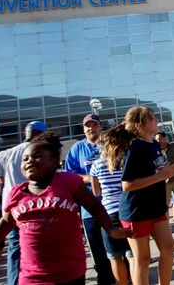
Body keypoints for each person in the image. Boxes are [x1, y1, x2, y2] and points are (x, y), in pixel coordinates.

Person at [0, 134, 130, 284]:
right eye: (25, 158)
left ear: (53, 162)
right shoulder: (15, 193)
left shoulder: (67, 182)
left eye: (37, 156)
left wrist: (110, 228)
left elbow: (93, 204)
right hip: (32, 276)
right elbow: (4, 222)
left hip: (70, 272)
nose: (29, 161)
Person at [102, 106, 174, 285]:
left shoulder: (154, 144)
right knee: (143, 259)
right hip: (135, 211)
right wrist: (161, 175)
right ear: (139, 125)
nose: (156, 121)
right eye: (152, 118)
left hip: (156, 207)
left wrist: (165, 173)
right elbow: (127, 185)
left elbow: (157, 171)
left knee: (168, 247)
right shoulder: (134, 148)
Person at [0, 120, 47, 285]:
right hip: (40, 210)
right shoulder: (45, 153)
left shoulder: (8, 153)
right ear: (40, 134)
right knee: (42, 251)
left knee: (16, 251)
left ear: (25, 134)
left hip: (13, 213)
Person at [65, 113, 114, 285]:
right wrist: (88, 178)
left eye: (94, 125)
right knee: (97, 247)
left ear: (100, 127)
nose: (91, 128)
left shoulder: (109, 144)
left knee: (117, 242)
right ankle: (105, 279)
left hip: (112, 204)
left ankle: (125, 275)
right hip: (89, 207)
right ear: (83, 129)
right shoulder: (77, 149)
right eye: (88, 126)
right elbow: (69, 174)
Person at [91, 132, 134, 285]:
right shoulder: (125, 161)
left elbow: (96, 192)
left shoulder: (96, 165)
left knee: (114, 256)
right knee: (131, 254)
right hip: (128, 211)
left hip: (109, 214)